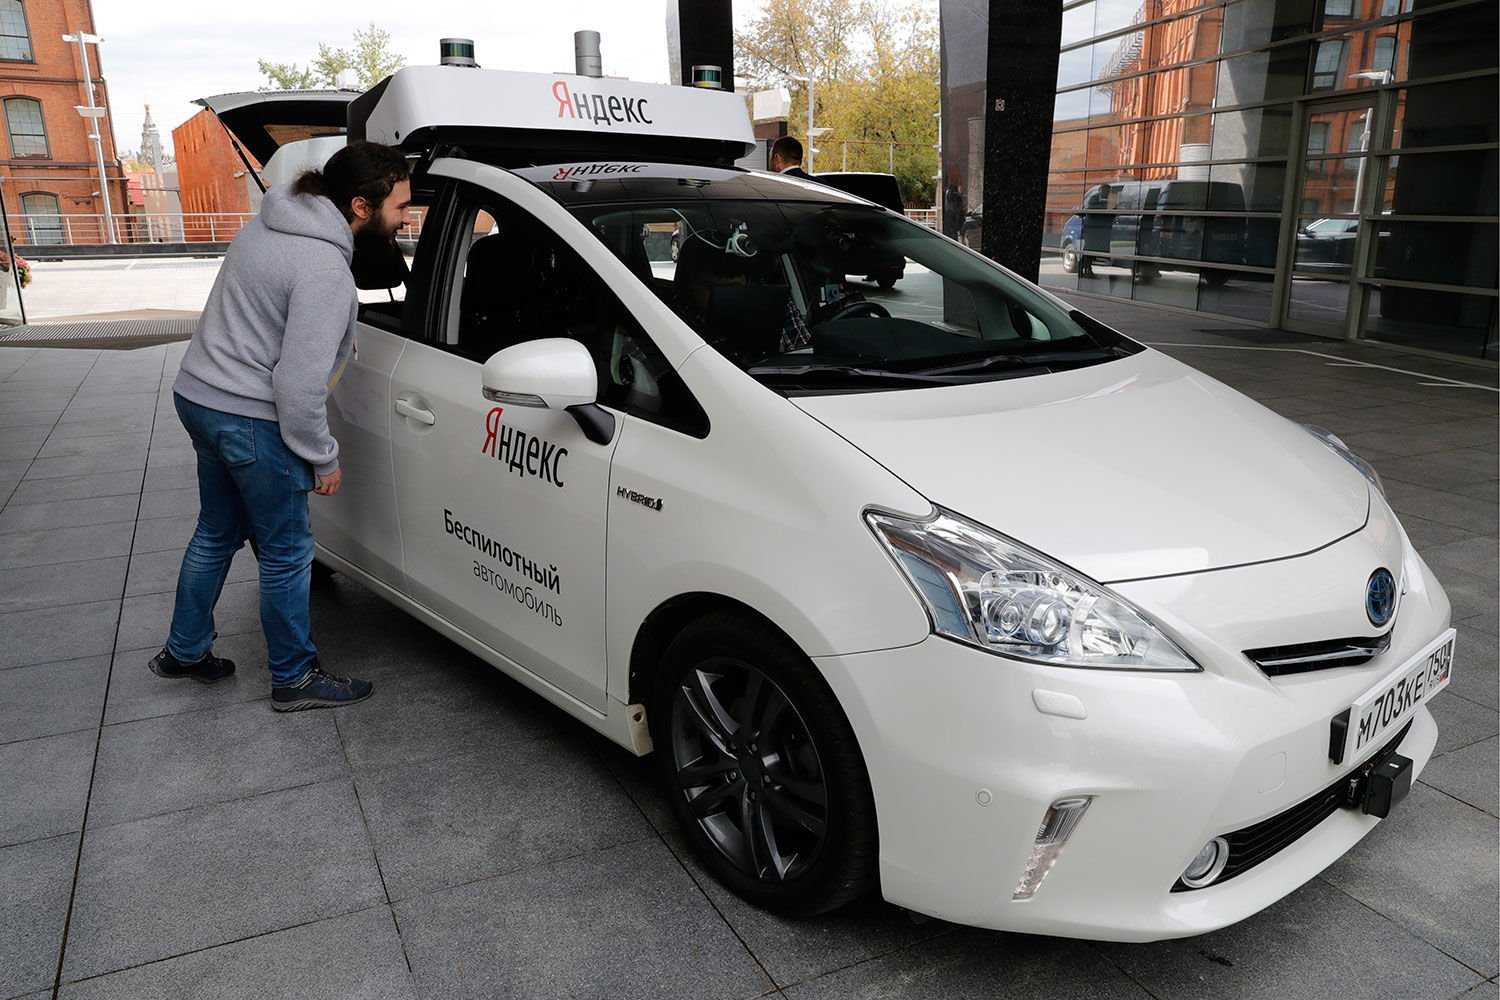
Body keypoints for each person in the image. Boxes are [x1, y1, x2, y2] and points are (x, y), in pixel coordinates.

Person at [149, 140, 412, 712]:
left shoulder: (265, 227)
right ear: (361, 207)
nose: (405, 218)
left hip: (199, 396)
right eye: (399, 208)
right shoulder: (324, 270)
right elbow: (297, 387)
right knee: (288, 550)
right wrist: (323, 456)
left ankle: (185, 651)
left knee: (216, 531)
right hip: (249, 416)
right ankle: (293, 677)